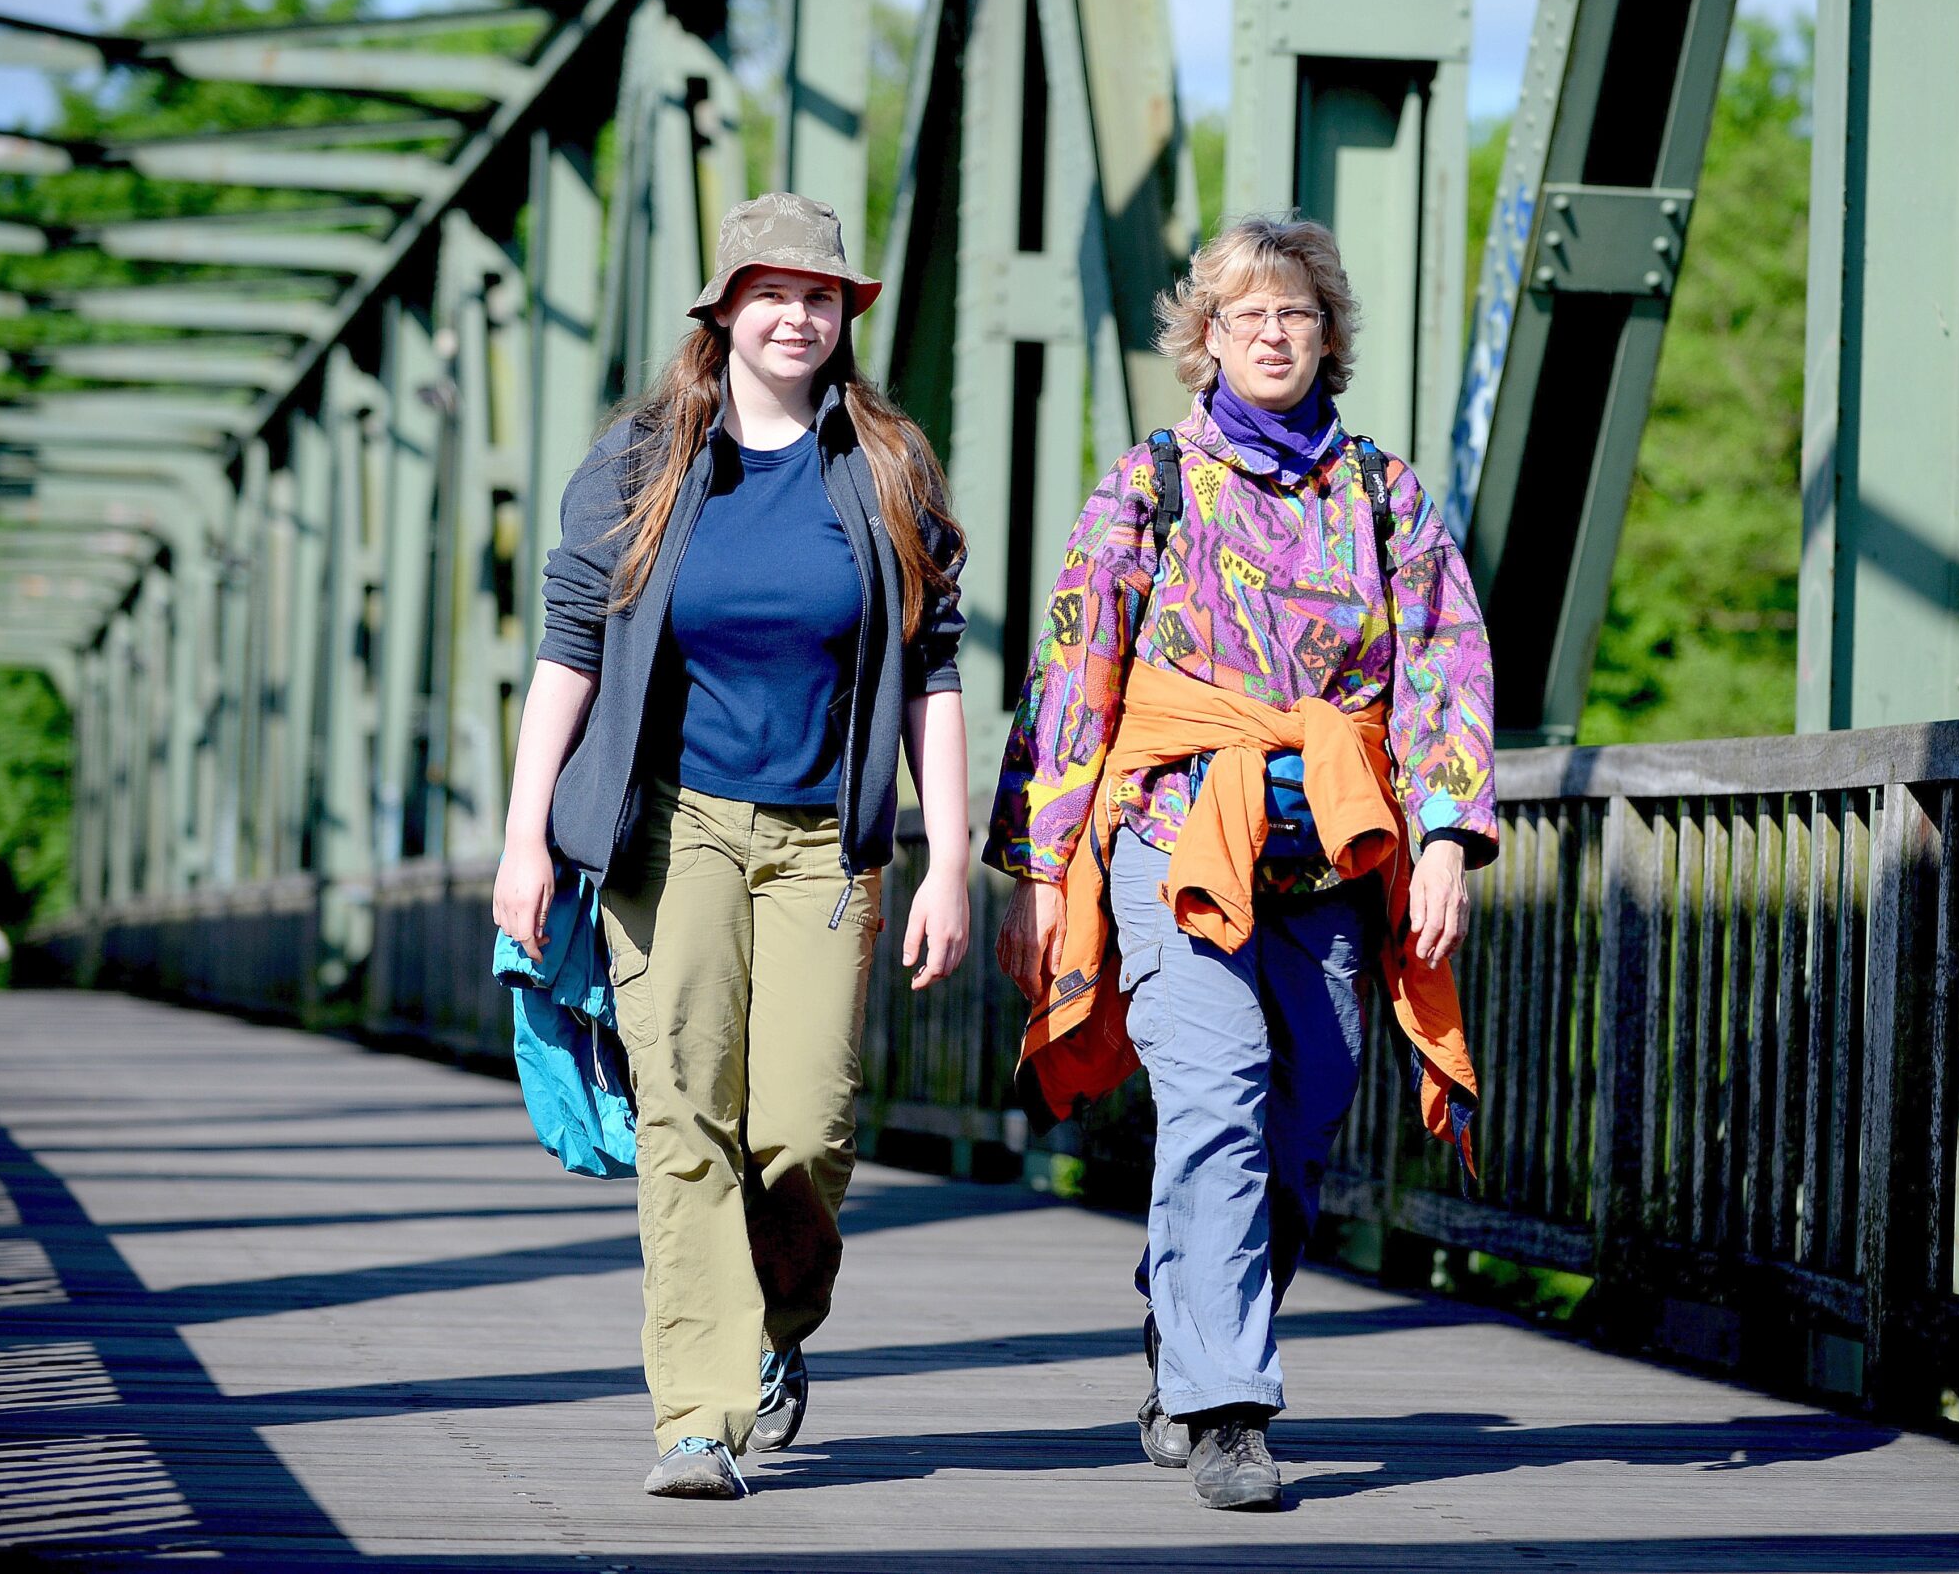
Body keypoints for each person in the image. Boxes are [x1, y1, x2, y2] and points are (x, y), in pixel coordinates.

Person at [987, 214, 1497, 1511]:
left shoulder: (1381, 491)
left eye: (1297, 314)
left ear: (1330, 336)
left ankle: (1187, 1316)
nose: (1273, 334)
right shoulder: (1150, 483)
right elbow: (1073, 675)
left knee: (1306, 1113)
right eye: (1246, 315)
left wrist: (1444, 836)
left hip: (1329, 854)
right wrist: (1045, 872)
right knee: (1216, 1098)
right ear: (1204, 342)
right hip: (1174, 839)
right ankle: (1227, 1406)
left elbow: (1447, 662)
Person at [492, 191, 970, 1502]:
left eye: (819, 297)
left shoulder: (885, 465)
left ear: (843, 317)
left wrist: (948, 855)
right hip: (673, 826)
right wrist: (524, 834)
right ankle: (697, 1415)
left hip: (830, 838)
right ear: (725, 310)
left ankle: (772, 1329)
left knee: (806, 1129)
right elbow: (570, 650)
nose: (797, 315)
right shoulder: (642, 460)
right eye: (772, 292)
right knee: (685, 1114)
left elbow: (935, 667)